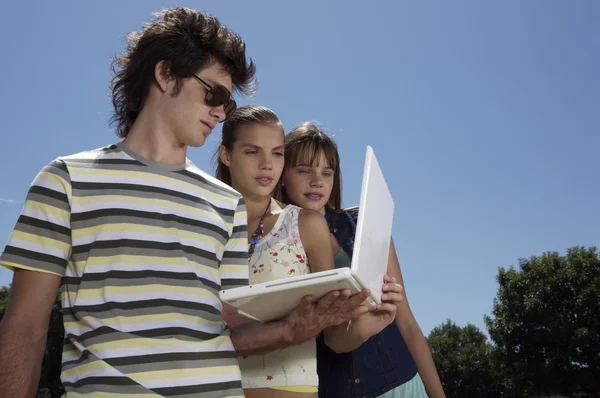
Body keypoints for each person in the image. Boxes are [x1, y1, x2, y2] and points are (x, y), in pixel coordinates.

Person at [0, 9, 367, 397]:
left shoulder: (226, 203)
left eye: (228, 101)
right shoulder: (67, 180)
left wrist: (293, 329)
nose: (222, 111)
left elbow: (231, 332)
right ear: (166, 74)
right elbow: (24, 325)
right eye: (214, 93)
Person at [215, 105, 405, 398]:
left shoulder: (305, 224)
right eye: (253, 152)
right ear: (226, 155)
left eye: (277, 153)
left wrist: (366, 325)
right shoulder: (206, 225)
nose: (267, 164)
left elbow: (334, 336)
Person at [277, 121, 446, 398]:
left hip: (402, 385)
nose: (317, 181)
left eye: (326, 172)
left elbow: (407, 324)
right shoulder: (275, 245)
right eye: (304, 170)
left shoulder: (362, 224)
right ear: (283, 175)